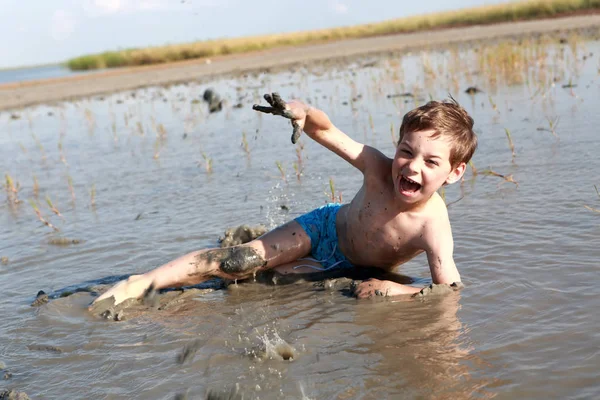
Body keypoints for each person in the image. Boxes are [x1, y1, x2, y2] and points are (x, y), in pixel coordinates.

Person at [93, 92, 477, 306]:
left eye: (431, 161)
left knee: (271, 284)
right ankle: (140, 283)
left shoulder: (433, 224)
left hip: (349, 268)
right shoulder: (377, 167)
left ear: (454, 172)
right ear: (396, 147)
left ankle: (291, 268)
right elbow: (327, 131)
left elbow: (450, 290)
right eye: (406, 152)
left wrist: (398, 289)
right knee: (238, 261)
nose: (411, 167)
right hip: (322, 228)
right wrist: (302, 111)